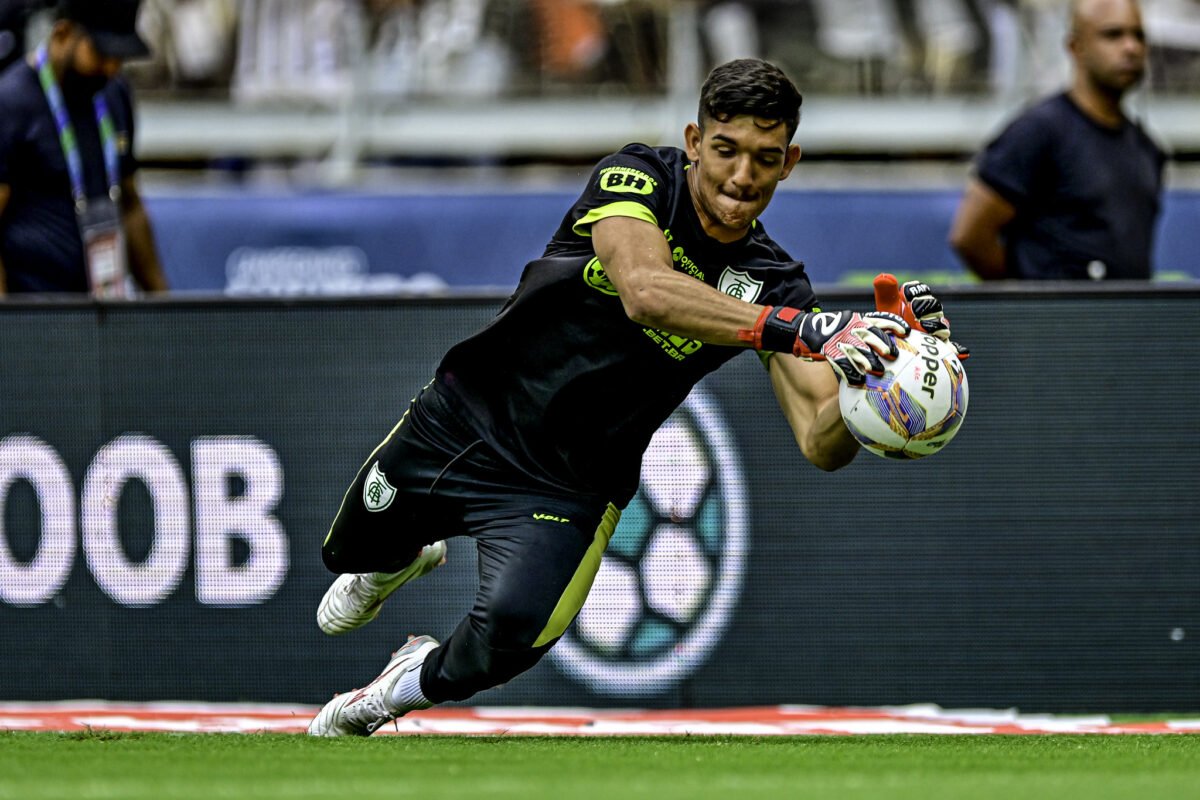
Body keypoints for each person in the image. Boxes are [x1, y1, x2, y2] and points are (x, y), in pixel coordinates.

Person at [308, 58, 967, 737]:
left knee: (506, 643)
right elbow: (646, 292)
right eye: (726, 150)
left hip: (569, 487)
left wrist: (878, 389)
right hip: (468, 416)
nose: (742, 177)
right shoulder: (635, 177)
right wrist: (802, 329)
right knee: (345, 554)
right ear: (692, 141)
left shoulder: (773, 281)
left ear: (789, 161)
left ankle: (390, 694)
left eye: (765, 159)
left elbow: (817, 440)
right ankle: (399, 559)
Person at [948, 0, 1165, 281]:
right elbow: (970, 236)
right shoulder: (1039, 132)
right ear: (1076, 47)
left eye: (1139, 35)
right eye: (1112, 35)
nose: (1131, 48)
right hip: (1052, 322)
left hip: (1126, 322)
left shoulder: (1145, 147)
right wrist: (1031, 298)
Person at [0, 0, 167, 296]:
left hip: (100, 310)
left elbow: (130, 205)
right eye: (101, 53)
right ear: (63, 34)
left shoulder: (114, 94)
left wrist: (162, 300)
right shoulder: (11, 104)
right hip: (33, 311)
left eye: (119, 58)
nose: (111, 67)